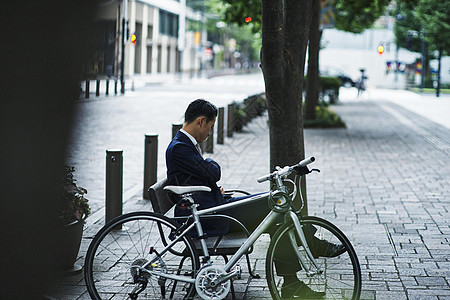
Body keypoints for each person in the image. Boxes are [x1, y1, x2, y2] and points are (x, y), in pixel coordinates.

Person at [166, 99, 344, 298]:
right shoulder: (180, 148)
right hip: (208, 217)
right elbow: (213, 172)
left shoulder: (184, 145)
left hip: (212, 207)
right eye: (210, 126)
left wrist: (211, 187)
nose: (210, 133)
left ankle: (291, 283)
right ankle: (311, 247)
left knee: (275, 208)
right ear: (201, 121)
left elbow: (200, 176)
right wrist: (209, 165)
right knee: (274, 203)